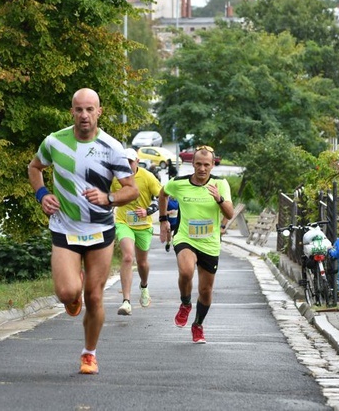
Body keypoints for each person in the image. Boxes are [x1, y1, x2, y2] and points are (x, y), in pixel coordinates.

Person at [27, 88, 138, 375]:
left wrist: (108, 198)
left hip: (100, 230)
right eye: (79, 110)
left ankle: (89, 353)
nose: (84, 115)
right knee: (67, 292)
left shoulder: (111, 147)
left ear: (99, 112)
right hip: (65, 228)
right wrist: (42, 194)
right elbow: (34, 167)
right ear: (72, 112)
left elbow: (131, 190)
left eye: (90, 109)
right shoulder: (54, 142)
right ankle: (72, 294)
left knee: (96, 297)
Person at [158, 146, 234, 344]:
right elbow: (162, 194)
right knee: (185, 271)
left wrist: (219, 199)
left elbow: (230, 213)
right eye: (198, 164)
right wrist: (163, 219)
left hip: (209, 243)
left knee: (206, 291)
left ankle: (198, 325)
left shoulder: (220, 184)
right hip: (186, 238)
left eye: (206, 165)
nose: (202, 168)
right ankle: (185, 303)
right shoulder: (179, 183)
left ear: (212, 165)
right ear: (192, 164)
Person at [111, 148, 162, 315]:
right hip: (123, 222)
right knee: (127, 257)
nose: (127, 165)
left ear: (137, 162)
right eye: (124, 162)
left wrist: (147, 211)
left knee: (142, 263)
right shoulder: (115, 177)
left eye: (130, 162)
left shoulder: (147, 177)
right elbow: (109, 196)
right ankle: (126, 301)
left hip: (143, 225)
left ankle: (144, 285)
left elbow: (162, 197)